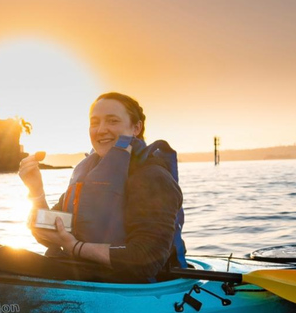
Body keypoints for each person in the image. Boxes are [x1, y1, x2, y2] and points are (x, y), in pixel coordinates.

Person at [18, 92, 187, 282]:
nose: (101, 130)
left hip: (137, 287)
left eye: (112, 121)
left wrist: (75, 248)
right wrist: (35, 191)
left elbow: (146, 260)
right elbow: (49, 235)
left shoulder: (152, 177)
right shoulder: (90, 173)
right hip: (88, 276)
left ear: (136, 128)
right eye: (94, 122)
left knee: (1, 259)